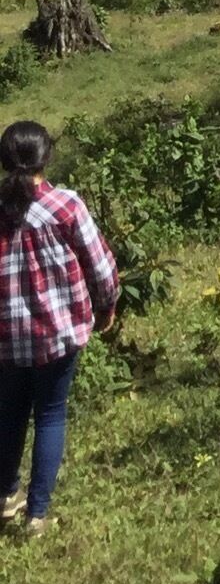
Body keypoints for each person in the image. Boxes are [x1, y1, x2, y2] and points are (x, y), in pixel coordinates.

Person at [0, 121, 118, 538]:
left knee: (9, 413)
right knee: (50, 414)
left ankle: (6, 494)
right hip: (58, 332)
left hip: (6, 338)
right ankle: (37, 514)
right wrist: (106, 307)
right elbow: (100, 266)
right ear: (46, 157)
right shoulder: (65, 206)